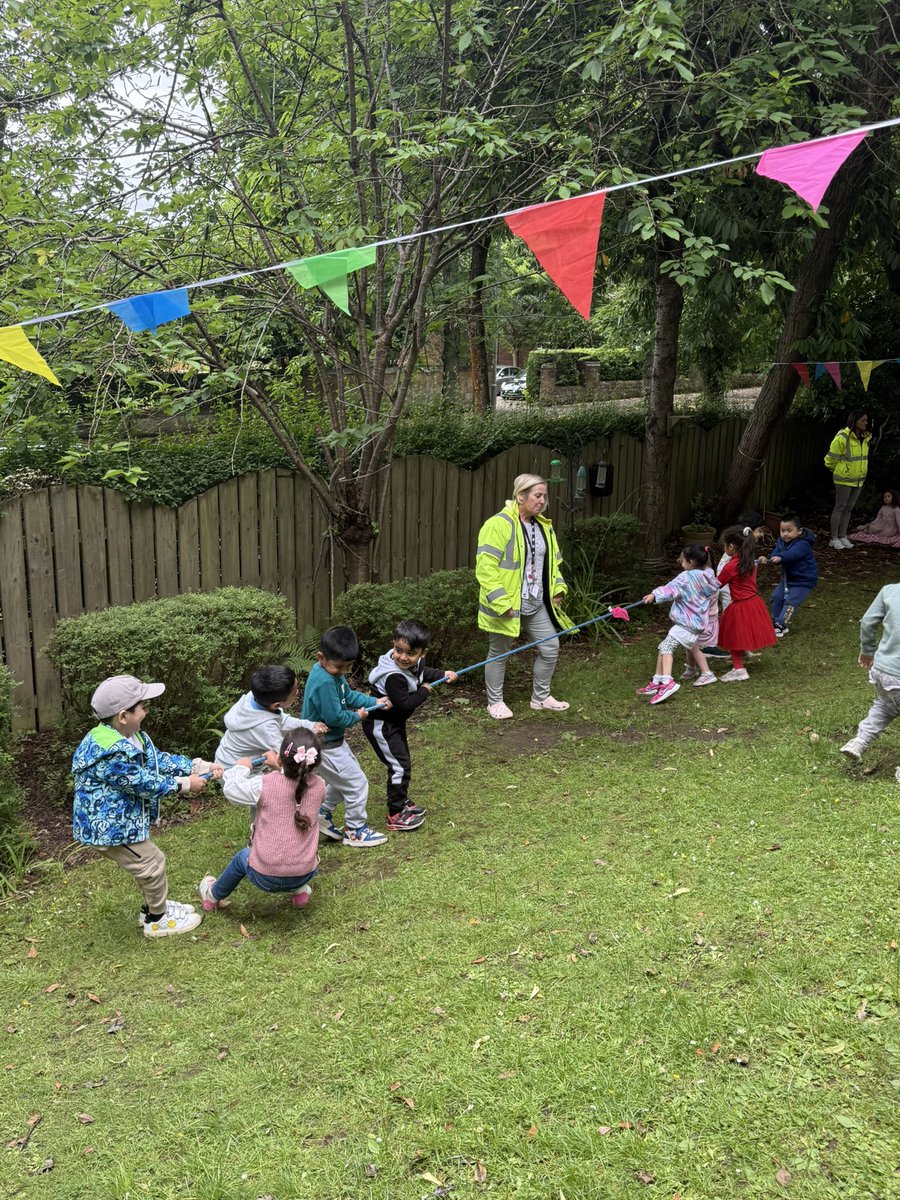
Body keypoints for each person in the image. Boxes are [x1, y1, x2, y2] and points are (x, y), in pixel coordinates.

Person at [71, 675, 220, 938]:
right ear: (123, 716)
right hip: (108, 828)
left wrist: (197, 766)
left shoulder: (130, 736)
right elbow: (142, 782)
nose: (146, 711)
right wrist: (185, 784)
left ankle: (152, 908)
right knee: (152, 862)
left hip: (120, 823)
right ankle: (157, 920)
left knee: (147, 863)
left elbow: (157, 760)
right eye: (142, 706)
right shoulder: (110, 752)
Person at [475, 473, 574, 719]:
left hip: (536, 601)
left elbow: (553, 564)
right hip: (507, 604)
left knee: (550, 646)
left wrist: (558, 588)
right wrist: (501, 603)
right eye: (537, 495)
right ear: (521, 496)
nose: (542, 501)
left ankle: (540, 698)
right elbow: (485, 568)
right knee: (500, 652)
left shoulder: (543, 526)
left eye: (545, 496)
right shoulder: (498, 524)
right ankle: (494, 702)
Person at [200, 730, 323, 911]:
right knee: (294, 843)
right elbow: (294, 786)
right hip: (305, 872)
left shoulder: (264, 784)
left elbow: (232, 789)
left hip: (265, 877)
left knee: (243, 856)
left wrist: (242, 767)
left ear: (280, 759)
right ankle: (300, 893)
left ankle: (212, 896)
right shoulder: (320, 786)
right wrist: (280, 767)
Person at [301, 626, 391, 847]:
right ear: (320, 657)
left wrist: (374, 702)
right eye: (339, 667)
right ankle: (356, 830)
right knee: (357, 784)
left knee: (343, 782)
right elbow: (334, 718)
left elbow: (348, 696)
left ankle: (322, 813)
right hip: (326, 746)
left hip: (332, 744)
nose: (343, 671)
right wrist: (358, 716)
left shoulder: (332, 675)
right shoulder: (324, 681)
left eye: (347, 667)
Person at [364, 619, 459, 831]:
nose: (403, 657)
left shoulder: (413, 664)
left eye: (410, 653)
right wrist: (424, 691)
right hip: (382, 726)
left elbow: (424, 674)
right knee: (399, 766)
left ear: (422, 653)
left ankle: (401, 801)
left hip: (394, 724)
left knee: (403, 762)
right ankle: (395, 813)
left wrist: (443, 675)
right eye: (399, 651)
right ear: (394, 644)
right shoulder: (394, 677)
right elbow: (405, 706)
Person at [215, 665, 326, 825]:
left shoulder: (252, 699)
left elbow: (282, 720)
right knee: (273, 795)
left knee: (263, 800)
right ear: (276, 704)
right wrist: (310, 736)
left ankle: (261, 834)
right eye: (295, 693)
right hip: (234, 770)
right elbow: (288, 753)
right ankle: (267, 836)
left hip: (230, 759)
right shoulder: (263, 727)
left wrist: (310, 725)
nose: (298, 693)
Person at [638, 544, 720, 704]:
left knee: (665, 647)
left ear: (691, 561)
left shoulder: (687, 577)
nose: (680, 563)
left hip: (686, 623)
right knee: (665, 647)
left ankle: (667, 683)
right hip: (696, 623)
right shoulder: (708, 574)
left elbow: (671, 588)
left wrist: (654, 595)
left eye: (682, 560)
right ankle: (656, 682)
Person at [840, 583, 900, 762]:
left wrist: (867, 650)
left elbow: (868, 621)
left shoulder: (889, 590)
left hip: (883, 672)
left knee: (885, 706)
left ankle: (859, 741)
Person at [701, 511, 766, 660]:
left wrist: (758, 561)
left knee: (739, 621)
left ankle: (741, 649)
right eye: (759, 531)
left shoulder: (744, 547)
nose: (760, 535)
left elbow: (748, 567)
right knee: (734, 621)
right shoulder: (735, 553)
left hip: (734, 585)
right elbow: (728, 574)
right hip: (728, 586)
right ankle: (734, 648)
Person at [715, 526, 777, 681]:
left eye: (724, 546)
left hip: (740, 605)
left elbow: (716, 585)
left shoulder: (730, 566)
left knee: (732, 634)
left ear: (730, 547)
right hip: (754, 602)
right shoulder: (749, 562)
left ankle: (739, 669)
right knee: (740, 632)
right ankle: (741, 656)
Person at [761, 513, 818, 637]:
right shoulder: (781, 541)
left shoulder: (803, 544)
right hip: (788, 578)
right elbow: (776, 552)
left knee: (791, 602)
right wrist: (770, 559)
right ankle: (777, 621)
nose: (785, 534)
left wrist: (780, 558)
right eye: (782, 531)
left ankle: (781, 624)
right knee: (776, 597)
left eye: (789, 530)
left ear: (799, 531)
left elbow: (793, 554)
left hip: (803, 580)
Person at [825, 411, 871, 549]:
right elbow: (830, 459)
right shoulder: (842, 437)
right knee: (840, 507)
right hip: (844, 479)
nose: (865, 423)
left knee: (849, 508)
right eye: (863, 420)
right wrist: (840, 471)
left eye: (866, 420)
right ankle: (834, 538)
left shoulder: (865, 438)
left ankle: (842, 536)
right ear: (855, 421)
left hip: (858, 480)